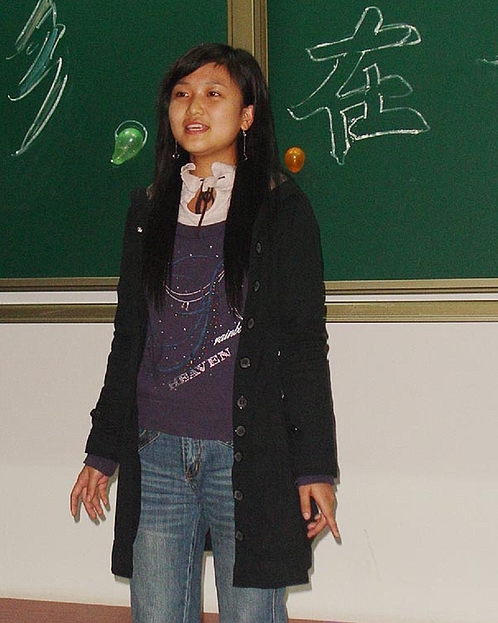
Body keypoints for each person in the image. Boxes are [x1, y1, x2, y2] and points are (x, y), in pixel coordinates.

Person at [70, 43, 339, 623]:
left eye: (214, 94)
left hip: (247, 454)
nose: (193, 107)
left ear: (247, 115)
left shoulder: (282, 210)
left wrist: (314, 467)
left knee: (251, 613)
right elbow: (129, 339)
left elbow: (302, 346)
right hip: (157, 452)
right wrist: (102, 449)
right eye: (181, 94)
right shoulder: (147, 210)